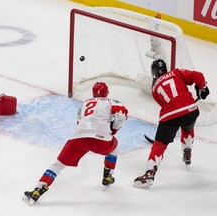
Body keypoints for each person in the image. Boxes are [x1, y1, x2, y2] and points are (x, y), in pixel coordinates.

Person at [22, 82, 128, 205]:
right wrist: (114, 129)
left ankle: (37, 190)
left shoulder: (85, 103)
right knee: (114, 148)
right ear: (107, 92)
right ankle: (108, 177)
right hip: (101, 140)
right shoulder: (112, 101)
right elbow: (121, 114)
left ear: (93, 93)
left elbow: (79, 122)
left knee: (58, 165)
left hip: (79, 139)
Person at [134, 59, 210, 188]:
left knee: (160, 144)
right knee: (187, 127)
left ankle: (149, 173)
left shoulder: (154, 88)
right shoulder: (177, 72)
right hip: (191, 110)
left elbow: (165, 104)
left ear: (154, 73)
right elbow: (199, 76)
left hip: (170, 116)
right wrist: (202, 87)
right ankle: (187, 151)